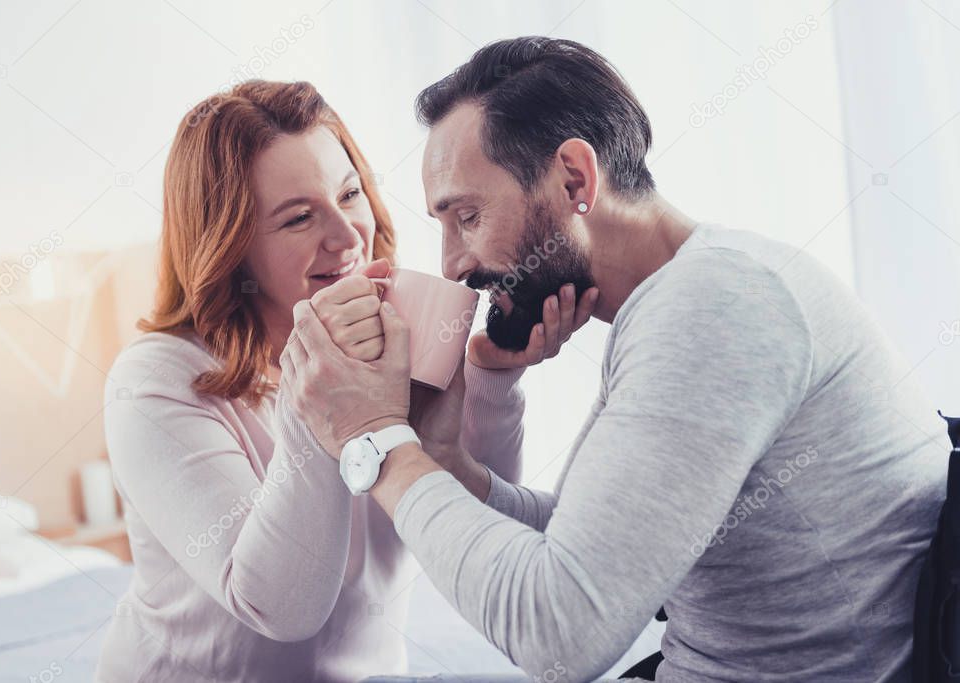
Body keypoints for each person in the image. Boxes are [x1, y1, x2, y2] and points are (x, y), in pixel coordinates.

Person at [281, 37, 949, 682]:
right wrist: (443, 458)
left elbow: (559, 636)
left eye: (467, 216)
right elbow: (586, 549)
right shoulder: (692, 290)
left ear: (574, 177)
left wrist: (375, 440)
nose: (452, 263)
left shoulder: (714, 308)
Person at [97, 79, 594, 682]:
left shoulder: (400, 328)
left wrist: (491, 380)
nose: (348, 235)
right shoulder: (156, 381)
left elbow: (477, 537)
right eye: (299, 217)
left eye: (350, 193)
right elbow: (278, 609)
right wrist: (322, 412)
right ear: (229, 248)